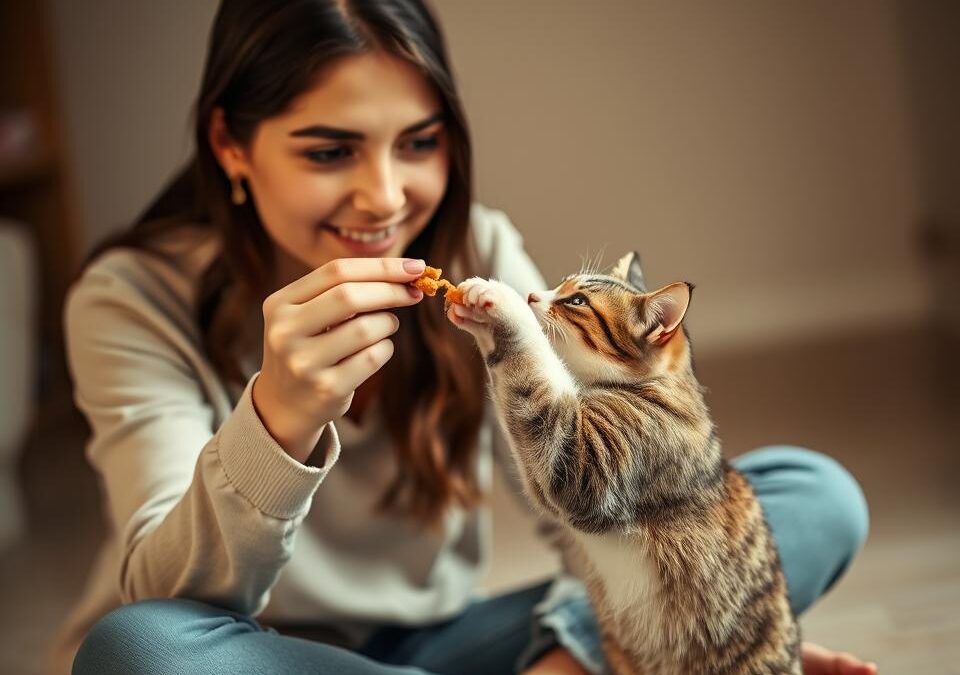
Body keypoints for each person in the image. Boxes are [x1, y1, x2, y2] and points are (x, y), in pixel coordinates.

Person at [51, 1, 877, 673]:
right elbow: (167, 592)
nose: (384, 198)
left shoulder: (477, 251)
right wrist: (278, 418)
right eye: (331, 150)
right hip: (246, 653)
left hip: (447, 647)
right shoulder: (130, 297)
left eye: (419, 143)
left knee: (812, 492)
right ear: (230, 144)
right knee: (140, 650)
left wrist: (709, 637)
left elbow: (584, 498)